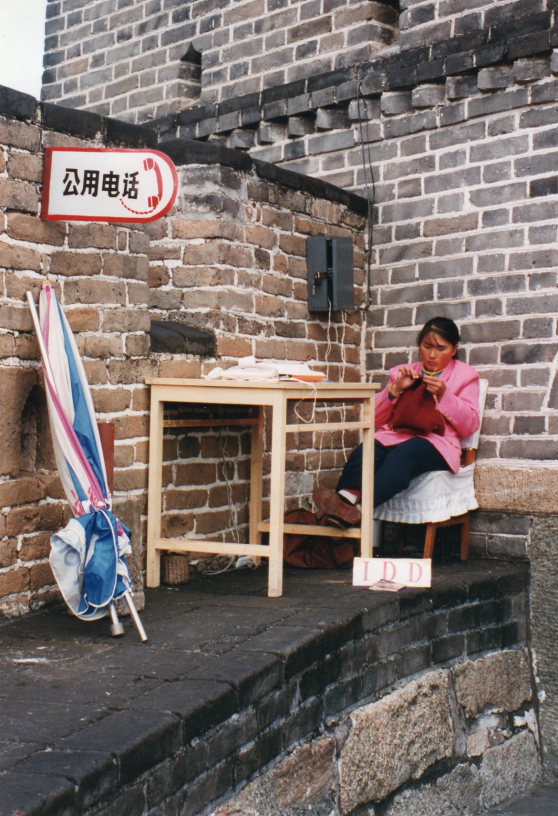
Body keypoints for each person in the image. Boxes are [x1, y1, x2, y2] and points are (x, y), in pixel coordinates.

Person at [313, 317, 481, 528]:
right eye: (427, 346)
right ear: (419, 344)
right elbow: (373, 419)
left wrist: (445, 395)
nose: (432, 354)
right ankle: (345, 503)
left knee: (406, 452)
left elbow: (470, 425)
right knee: (367, 449)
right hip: (397, 435)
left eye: (441, 348)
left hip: (438, 444)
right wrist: (395, 390)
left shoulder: (465, 375)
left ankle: (354, 510)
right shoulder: (403, 372)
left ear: (454, 349)